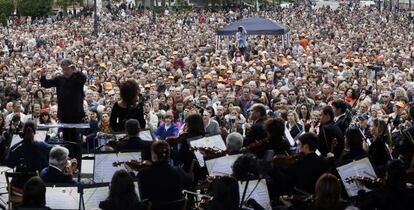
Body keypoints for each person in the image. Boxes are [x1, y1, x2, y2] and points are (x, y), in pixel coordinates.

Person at [40, 59, 86, 162]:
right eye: (63, 69)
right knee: (66, 139)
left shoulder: (77, 78)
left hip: (76, 114)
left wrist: (76, 71)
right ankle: (67, 160)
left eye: (67, 69)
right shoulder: (59, 79)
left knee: (75, 139)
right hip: (64, 114)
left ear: (71, 68)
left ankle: (77, 161)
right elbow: (46, 84)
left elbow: (84, 78)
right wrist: (43, 75)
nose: (65, 71)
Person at [138, 141, 192, 210]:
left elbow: (139, 194)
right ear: (168, 154)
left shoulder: (143, 173)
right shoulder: (178, 171)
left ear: (153, 155)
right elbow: (189, 181)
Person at [6, 120, 52, 188]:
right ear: (35, 131)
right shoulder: (42, 146)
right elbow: (56, 153)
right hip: (37, 186)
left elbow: (9, 164)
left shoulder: (16, 147)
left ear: (23, 131)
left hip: (18, 186)